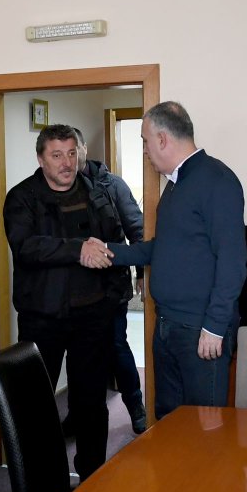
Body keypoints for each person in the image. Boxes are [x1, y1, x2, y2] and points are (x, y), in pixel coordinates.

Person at [99, 102, 246, 419]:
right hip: (167, 325)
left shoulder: (217, 180)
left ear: (163, 139)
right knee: (168, 420)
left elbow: (233, 260)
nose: (145, 151)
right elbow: (162, 248)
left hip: (199, 330)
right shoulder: (176, 185)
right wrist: (109, 251)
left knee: (203, 424)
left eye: (145, 141)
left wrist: (214, 327)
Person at [3, 124, 131, 480]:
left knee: (92, 402)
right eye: (57, 155)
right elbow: (26, 247)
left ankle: (92, 477)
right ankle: (44, 483)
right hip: (43, 318)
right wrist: (78, 250)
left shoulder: (97, 192)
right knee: (36, 404)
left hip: (93, 316)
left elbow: (114, 239)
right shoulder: (22, 198)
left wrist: (115, 291)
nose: (66, 163)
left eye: (72, 153)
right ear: (41, 159)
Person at [72, 127, 147, 434]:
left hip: (111, 287)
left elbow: (137, 229)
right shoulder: (53, 189)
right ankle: (77, 413)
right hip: (74, 291)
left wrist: (141, 272)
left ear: (84, 149)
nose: (68, 159)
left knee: (116, 346)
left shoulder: (112, 185)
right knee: (78, 354)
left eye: (73, 150)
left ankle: (136, 406)